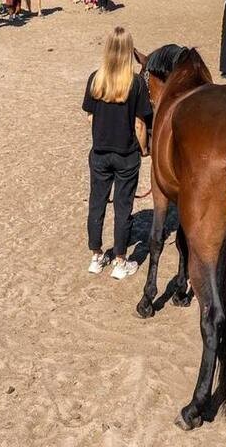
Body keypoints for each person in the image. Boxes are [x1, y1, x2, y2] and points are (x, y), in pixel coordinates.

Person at [83, 25, 151, 280]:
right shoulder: (135, 84)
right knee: (123, 208)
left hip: (99, 152)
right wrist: (144, 149)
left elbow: (90, 117)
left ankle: (96, 256)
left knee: (96, 204)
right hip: (126, 155)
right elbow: (139, 124)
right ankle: (121, 260)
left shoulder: (95, 78)